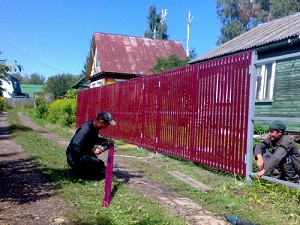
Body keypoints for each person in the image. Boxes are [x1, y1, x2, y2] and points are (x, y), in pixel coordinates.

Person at [66, 112, 116, 180]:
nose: (106, 127)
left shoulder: (94, 127)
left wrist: (105, 140)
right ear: (101, 122)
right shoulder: (85, 130)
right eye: (106, 125)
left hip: (83, 154)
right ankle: (77, 172)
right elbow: (75, 148)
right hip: (74, 157)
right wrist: (91, 151)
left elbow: (93, 139)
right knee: (99, 171)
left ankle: (81, 170)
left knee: (103, 170)